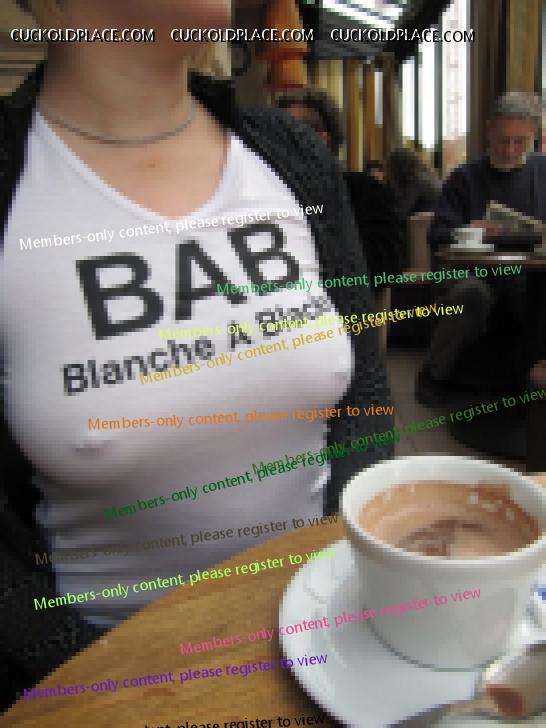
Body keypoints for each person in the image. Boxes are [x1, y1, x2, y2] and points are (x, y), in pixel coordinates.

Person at [0, 0, 393, 708]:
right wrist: (102, 687)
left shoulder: (290, 154)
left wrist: (349, 582)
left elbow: (364, 391)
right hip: (105, 675)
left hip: (325, 646)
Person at [417, 92, 546, 405]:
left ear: (533, 136)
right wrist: (467, 230)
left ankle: (527, 386)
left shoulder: (543, 172)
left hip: (532, 274)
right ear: (489, 130)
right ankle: (434, 374)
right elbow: (437, 234)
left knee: (536, 295)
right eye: (503, 140)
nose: (510, 149)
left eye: (519, 142)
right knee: (471, 295)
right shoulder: (465, 178)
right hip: (474, 273)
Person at [277, 90, 406, 288]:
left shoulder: (364, 193)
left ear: (319, 139)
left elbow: (386, 265)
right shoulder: (268, 195)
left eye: (283, 134)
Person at [385, 147, 441, 221]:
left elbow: (402, 210)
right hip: (434, 220)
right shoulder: (427, 175)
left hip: (422, 223)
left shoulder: (417, 181)